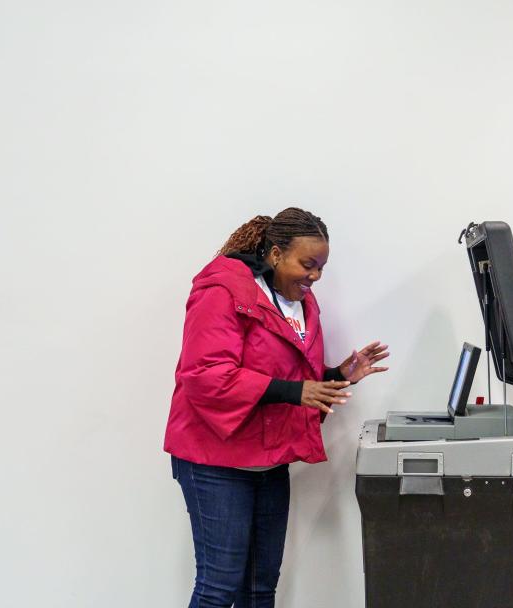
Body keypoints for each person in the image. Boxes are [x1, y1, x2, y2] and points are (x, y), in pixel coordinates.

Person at [163, 207, 388, 608]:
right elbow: (206, 374)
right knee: (218, 588)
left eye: (321, 267)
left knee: (259, 589)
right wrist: (295, 391)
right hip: (215, 463)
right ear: (275, 253)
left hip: (268, 463)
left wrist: (339, 374)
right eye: (308, 264)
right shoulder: (222, 292)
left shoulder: (301, 303)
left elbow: (293, 376)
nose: (315, 276)